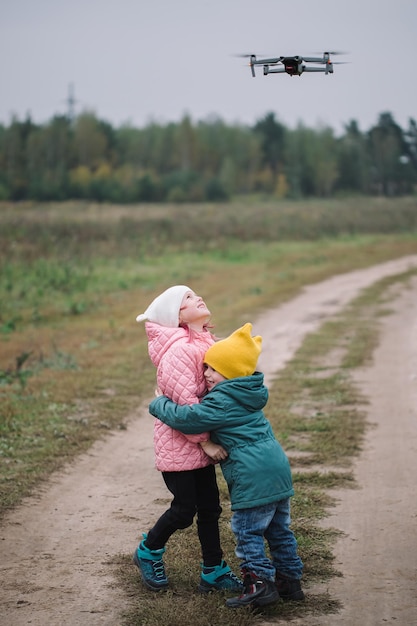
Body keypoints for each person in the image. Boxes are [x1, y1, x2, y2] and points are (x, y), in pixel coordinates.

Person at [149, 323, 304, 609]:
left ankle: (259, 585)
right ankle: (289, 581)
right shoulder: (247, 393)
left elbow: (188, 418)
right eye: (205, 367)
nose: (205, 374)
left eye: (213, 369)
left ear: (231, 373)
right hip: (278, 473)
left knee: (249, 533)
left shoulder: (222, 400)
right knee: (279, 531)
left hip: (252, 478)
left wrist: (160, 403)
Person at [133, 285, 242, 594]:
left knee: (210, 508)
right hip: (180, 444)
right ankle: (149, 550)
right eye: (189, 299)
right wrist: (205, 442)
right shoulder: (179, 352)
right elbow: (186, 407)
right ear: (177, 315)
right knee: (184, 510)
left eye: (195, 294)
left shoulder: (205, 341)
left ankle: (213, 571)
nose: (198, 298)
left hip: (199, 442)